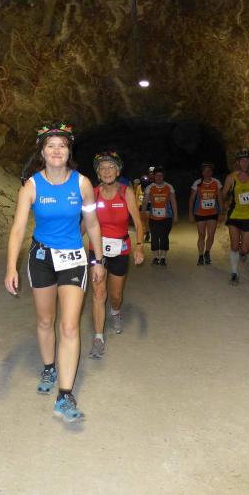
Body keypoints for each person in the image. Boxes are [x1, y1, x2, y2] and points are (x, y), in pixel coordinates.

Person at [5, 122, 105, 423]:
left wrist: (99, 260)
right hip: (42, 258)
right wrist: (11, 266)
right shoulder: (31, 187)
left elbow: (92, 223)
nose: (57, 151)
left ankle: (65, 394)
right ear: (42, 153)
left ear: (69, 151)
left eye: (62, 145)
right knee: (45, 320)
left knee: (69, 326)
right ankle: (49, 366)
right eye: (51, 146)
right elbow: (18, 229)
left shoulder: (83, 184)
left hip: (73, 258)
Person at [86, 152, 145, 357]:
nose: (107, 171)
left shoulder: (125, 192)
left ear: (118, 171)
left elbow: (138, 223)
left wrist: (139, 246)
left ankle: (116, 311)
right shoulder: (93, 193)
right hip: (97, 249)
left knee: (116, 295)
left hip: (120, 248)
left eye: (111, 167)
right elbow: (86, 222)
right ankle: (98, 337)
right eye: (102, 168)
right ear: (98, 173)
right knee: (98, 292)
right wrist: (71, 242)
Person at [222, 148, 249, 285]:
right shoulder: (231, 178)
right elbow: (223, 194)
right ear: (238, 162)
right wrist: (224, 204)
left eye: (247, 160)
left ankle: (243, 253)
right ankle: (234, 273)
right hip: (234, 215)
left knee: (245, 249)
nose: (245, 163)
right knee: (234, 245)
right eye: (242, 161)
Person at [188, 162, 224, 266]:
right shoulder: (197, 183)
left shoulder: (216, 182)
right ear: (202, 172)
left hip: (213, 212)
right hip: (200, 213)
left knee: (211, 235)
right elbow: (191, 200)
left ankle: (207, 252)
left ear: (212, 172)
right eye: (205, 171)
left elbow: (220, 198)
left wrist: (221, 212)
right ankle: (200, 256)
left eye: (209, 171)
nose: (207, 173)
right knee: (202, 235)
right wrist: (190, 213)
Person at [143, 166, 178, 265]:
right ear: (154, 176)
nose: (159, 178)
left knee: (164, 237)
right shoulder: (149, 188)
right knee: (154, 237)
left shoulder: (169, 187)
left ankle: (163, 257)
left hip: (167, 217)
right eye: (157, 176)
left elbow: (173, 202)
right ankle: (155, 257)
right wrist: (142, 214)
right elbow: (145, 202)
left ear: (163, 176)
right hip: (153, 217)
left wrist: (175, 216)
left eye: (161, 176)